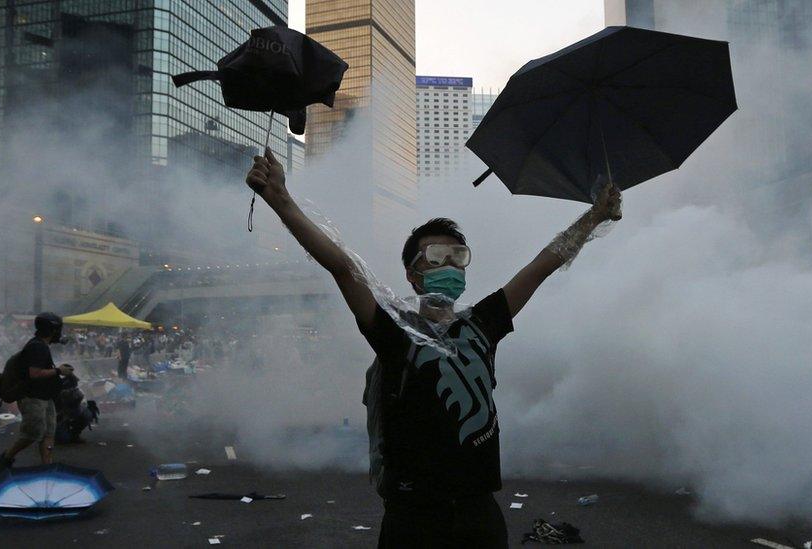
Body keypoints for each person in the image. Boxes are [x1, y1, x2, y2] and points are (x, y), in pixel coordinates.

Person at [246, 149, 622, 548]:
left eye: (458, 256)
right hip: (414, 517)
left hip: (480, 514)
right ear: (412, 275)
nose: (450, 264)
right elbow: (342, 266)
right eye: (436, 256)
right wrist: (281, 201)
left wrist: (594, 216)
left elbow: (543, 265)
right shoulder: (394, 331)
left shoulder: (482, 324)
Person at [0, 313, 74, 471]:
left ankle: (47, 467)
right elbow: (35, 373)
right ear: (52, 330)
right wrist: (59, 371)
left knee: (49, 433)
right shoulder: (37, 347)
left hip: (45, 397)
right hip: (32, 398)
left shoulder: (41, 345)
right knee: (33, 433)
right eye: (57, 329)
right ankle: (6, 457)